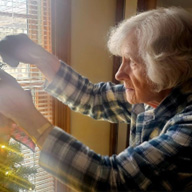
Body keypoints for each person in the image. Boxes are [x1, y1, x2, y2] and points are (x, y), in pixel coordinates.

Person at [0, 6, 192, 191]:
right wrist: (40, 58)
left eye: (132, 62)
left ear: (170, 67)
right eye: (122, 60)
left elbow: (114, 181)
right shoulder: (152, 97)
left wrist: (26, 115)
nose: (119, 74)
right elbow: (94, 98)